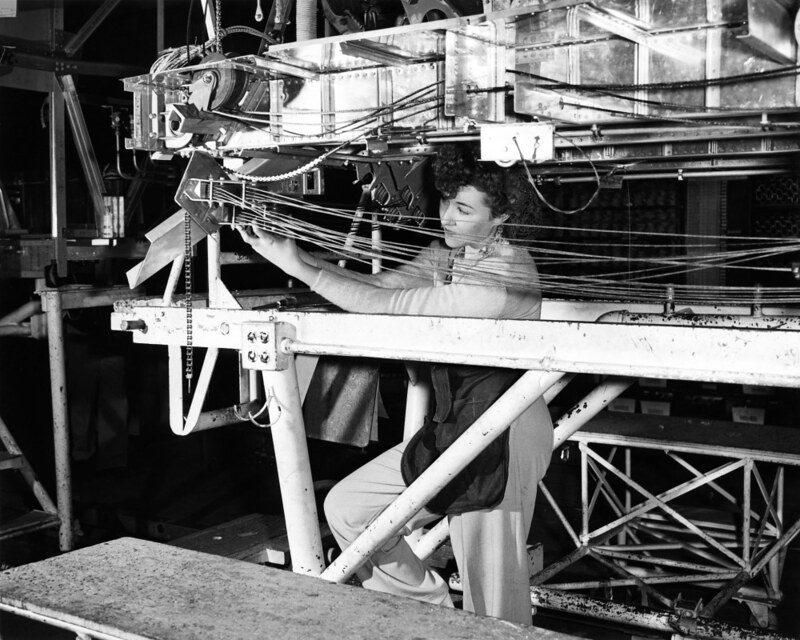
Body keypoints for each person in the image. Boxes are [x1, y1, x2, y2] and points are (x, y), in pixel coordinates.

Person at [237, 144, 553, 626]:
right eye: (446, 200)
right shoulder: (449, 257)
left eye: (463, 208)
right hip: (455, 425)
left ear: (502, 216)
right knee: (348, 508)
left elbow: (389, 307)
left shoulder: (506, 274)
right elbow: (384, 286)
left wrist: (299, 267)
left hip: (504, 434)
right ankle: (433, 616)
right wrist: (292, 253)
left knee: (495, 602)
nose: (446, 216)